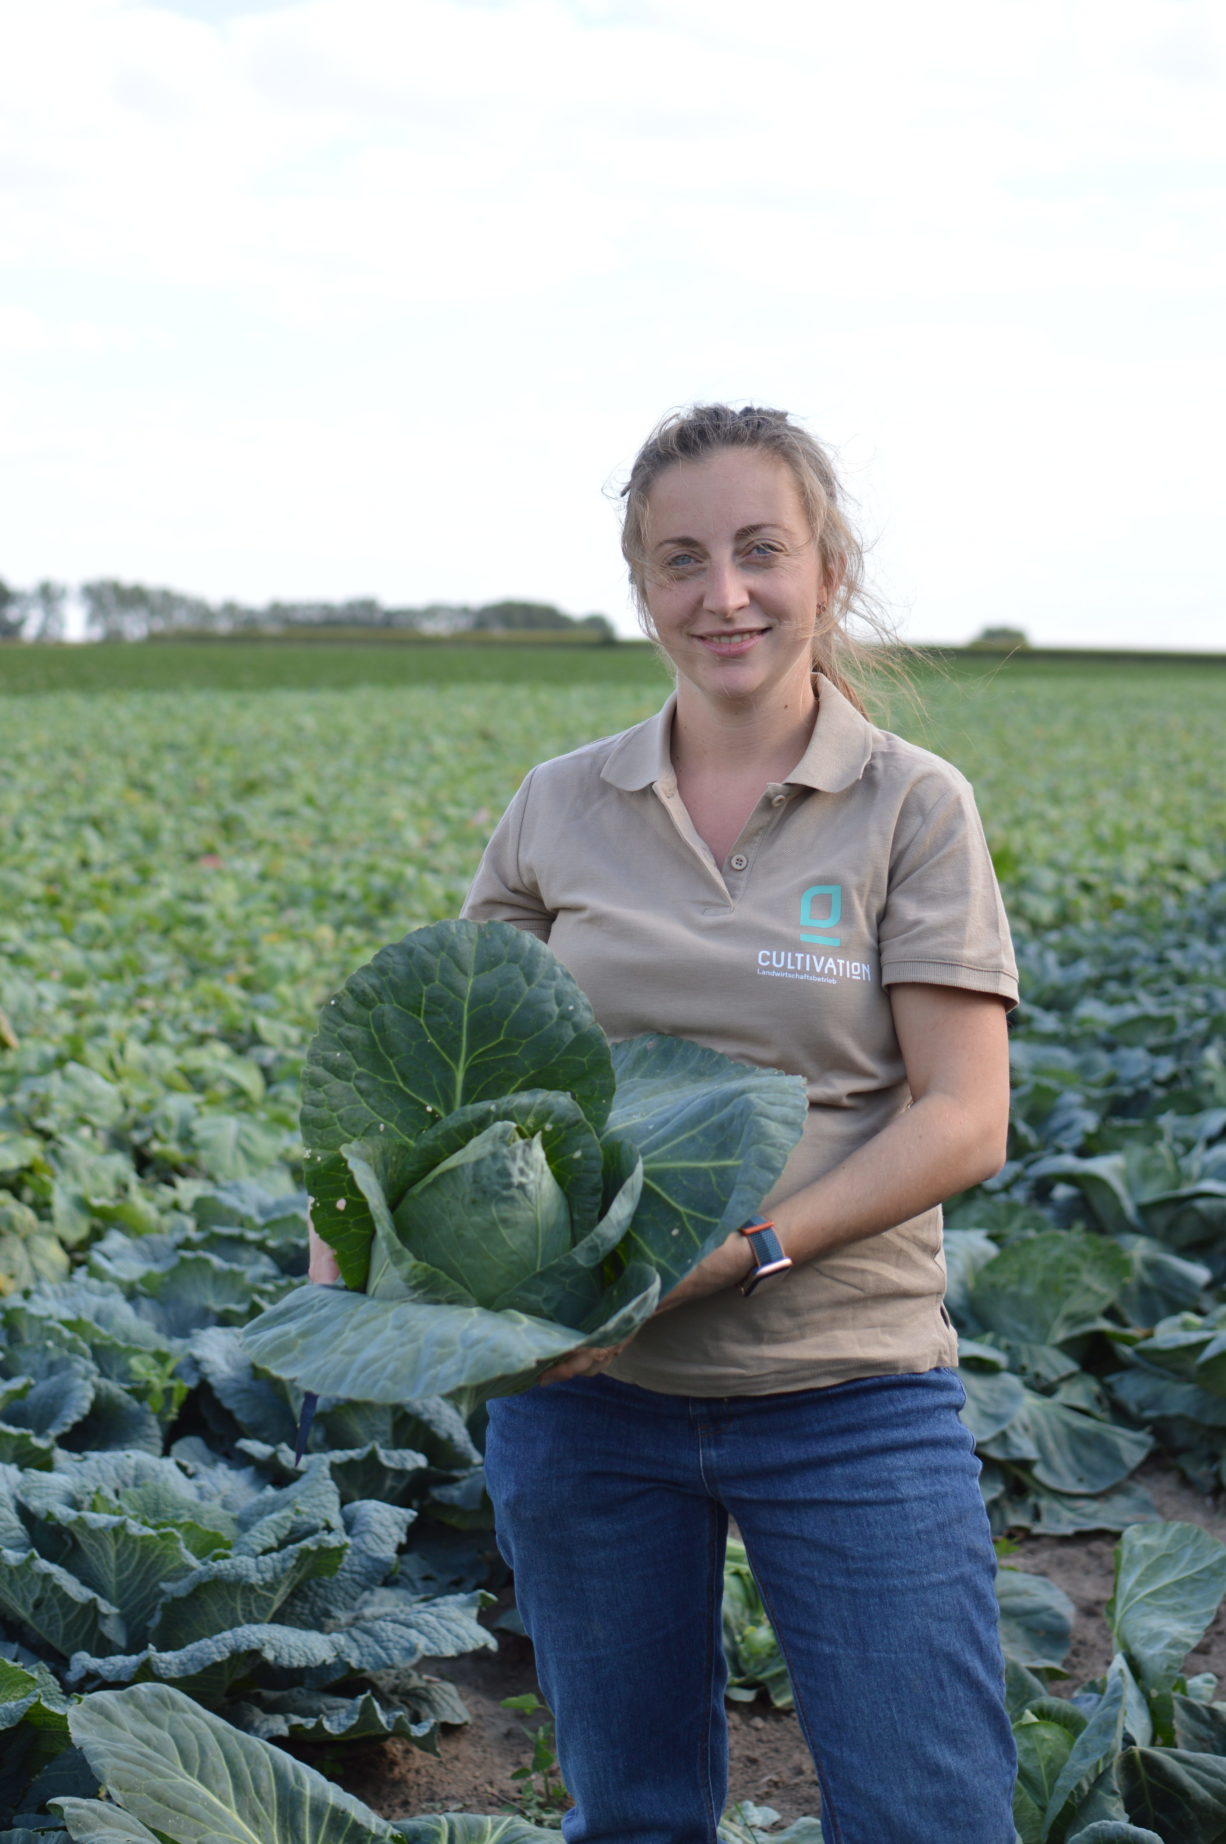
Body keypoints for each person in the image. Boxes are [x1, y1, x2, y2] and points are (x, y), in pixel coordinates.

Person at [318, 402, 1020, 1843]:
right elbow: (439, 1073)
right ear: (640, 588)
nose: (725, 595)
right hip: (584, 1397)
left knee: (927, 1811)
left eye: (760, 551)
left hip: (849, 1394)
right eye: (680, 561)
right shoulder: (558, 804)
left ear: (827, 569)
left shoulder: (909, 808)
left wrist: (746, 1251)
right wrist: (353, 1251)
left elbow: (961, 1119)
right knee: (632, 1814)